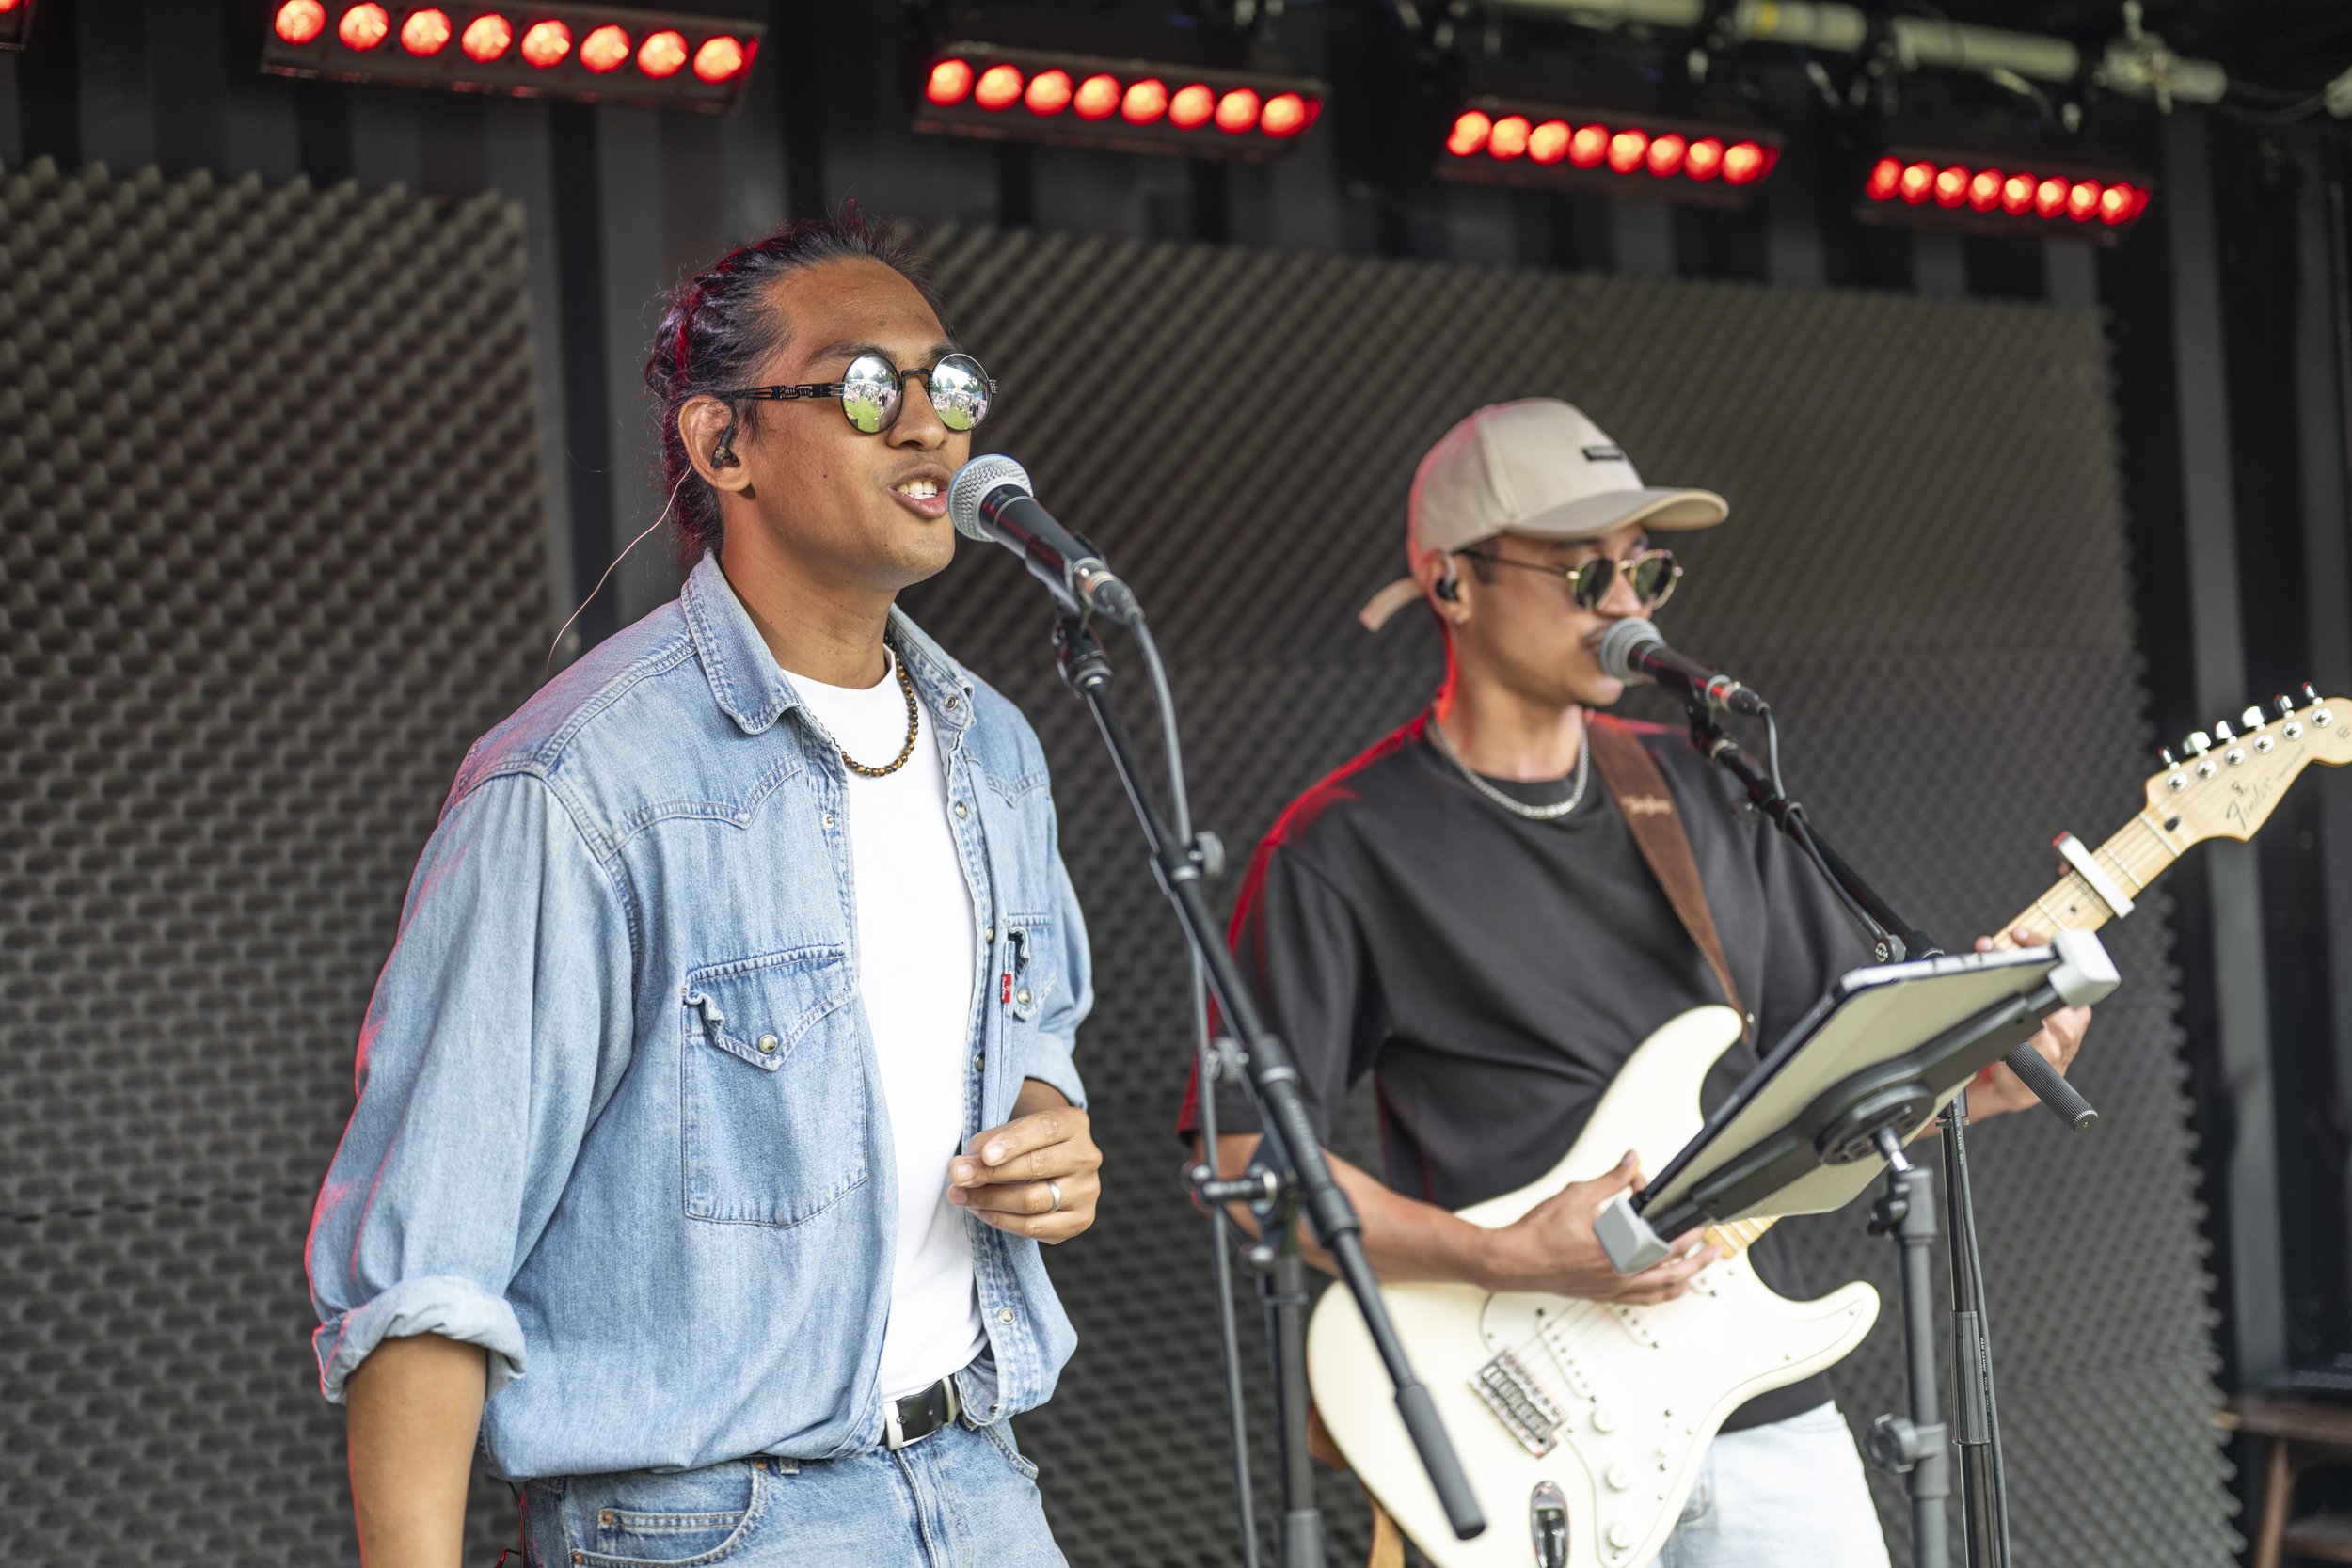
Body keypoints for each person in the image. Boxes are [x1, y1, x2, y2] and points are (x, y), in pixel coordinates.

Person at [307, 209, 1102, 1568]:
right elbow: (426, 1266)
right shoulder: (579, 788)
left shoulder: (996, 750)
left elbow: (1036, 1036)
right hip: (705, 1525)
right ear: (724, 442)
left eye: (950, 384)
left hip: (978, 1480)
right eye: (865, 386)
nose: (927, 425)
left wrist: (1049, 1127)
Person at [1182, 398, 2090, 1567]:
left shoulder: (1712, 792)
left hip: (1759, 1413)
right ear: (1450, 581)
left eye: (1641, 571)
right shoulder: (1341, 845)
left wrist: (1973, 1083)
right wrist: (1501, 1255)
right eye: (1581, 572)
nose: (1622, 605)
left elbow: (1845, 1090)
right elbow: (1241, 1155)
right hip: (1507, 1428)